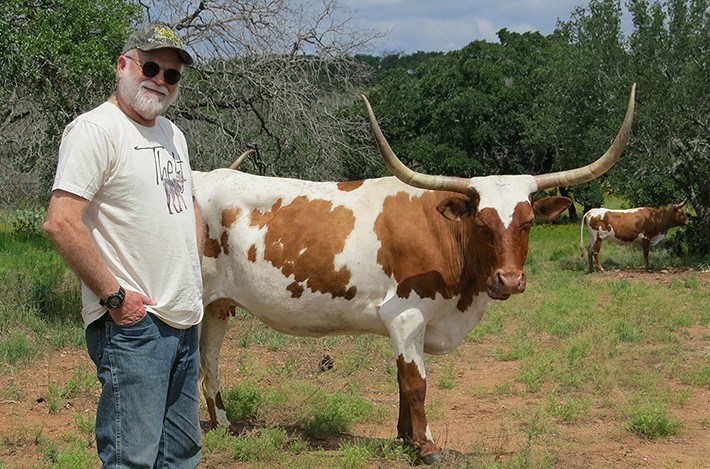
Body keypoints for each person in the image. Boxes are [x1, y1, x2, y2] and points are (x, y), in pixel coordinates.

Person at [43, 23, 204, 468]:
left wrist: (193, 281)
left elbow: (186, 206)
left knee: (181, 456)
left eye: (171, 75)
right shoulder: (96, 130)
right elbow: (60, 222)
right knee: (131, 458)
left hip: (184, 319)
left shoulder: (174, 135)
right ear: (123, 65)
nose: (160, 80)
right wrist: (114, 297)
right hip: (134, 326)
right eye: (150, 66)